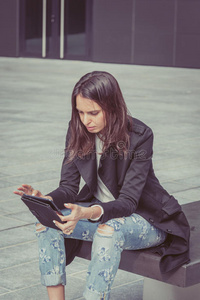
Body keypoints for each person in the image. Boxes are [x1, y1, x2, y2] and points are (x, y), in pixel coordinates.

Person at [14, 71, 190, 300]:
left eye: (93, 113)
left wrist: (86, 212)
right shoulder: (78, 129)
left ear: (113, 106)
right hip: (103, 214)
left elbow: (128, 203)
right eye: (80, 112)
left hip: (147, 219)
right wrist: (47, 200)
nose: (85, 120)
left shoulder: (140, 136)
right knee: (48, 224)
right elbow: (68, 186)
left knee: (110, 230)